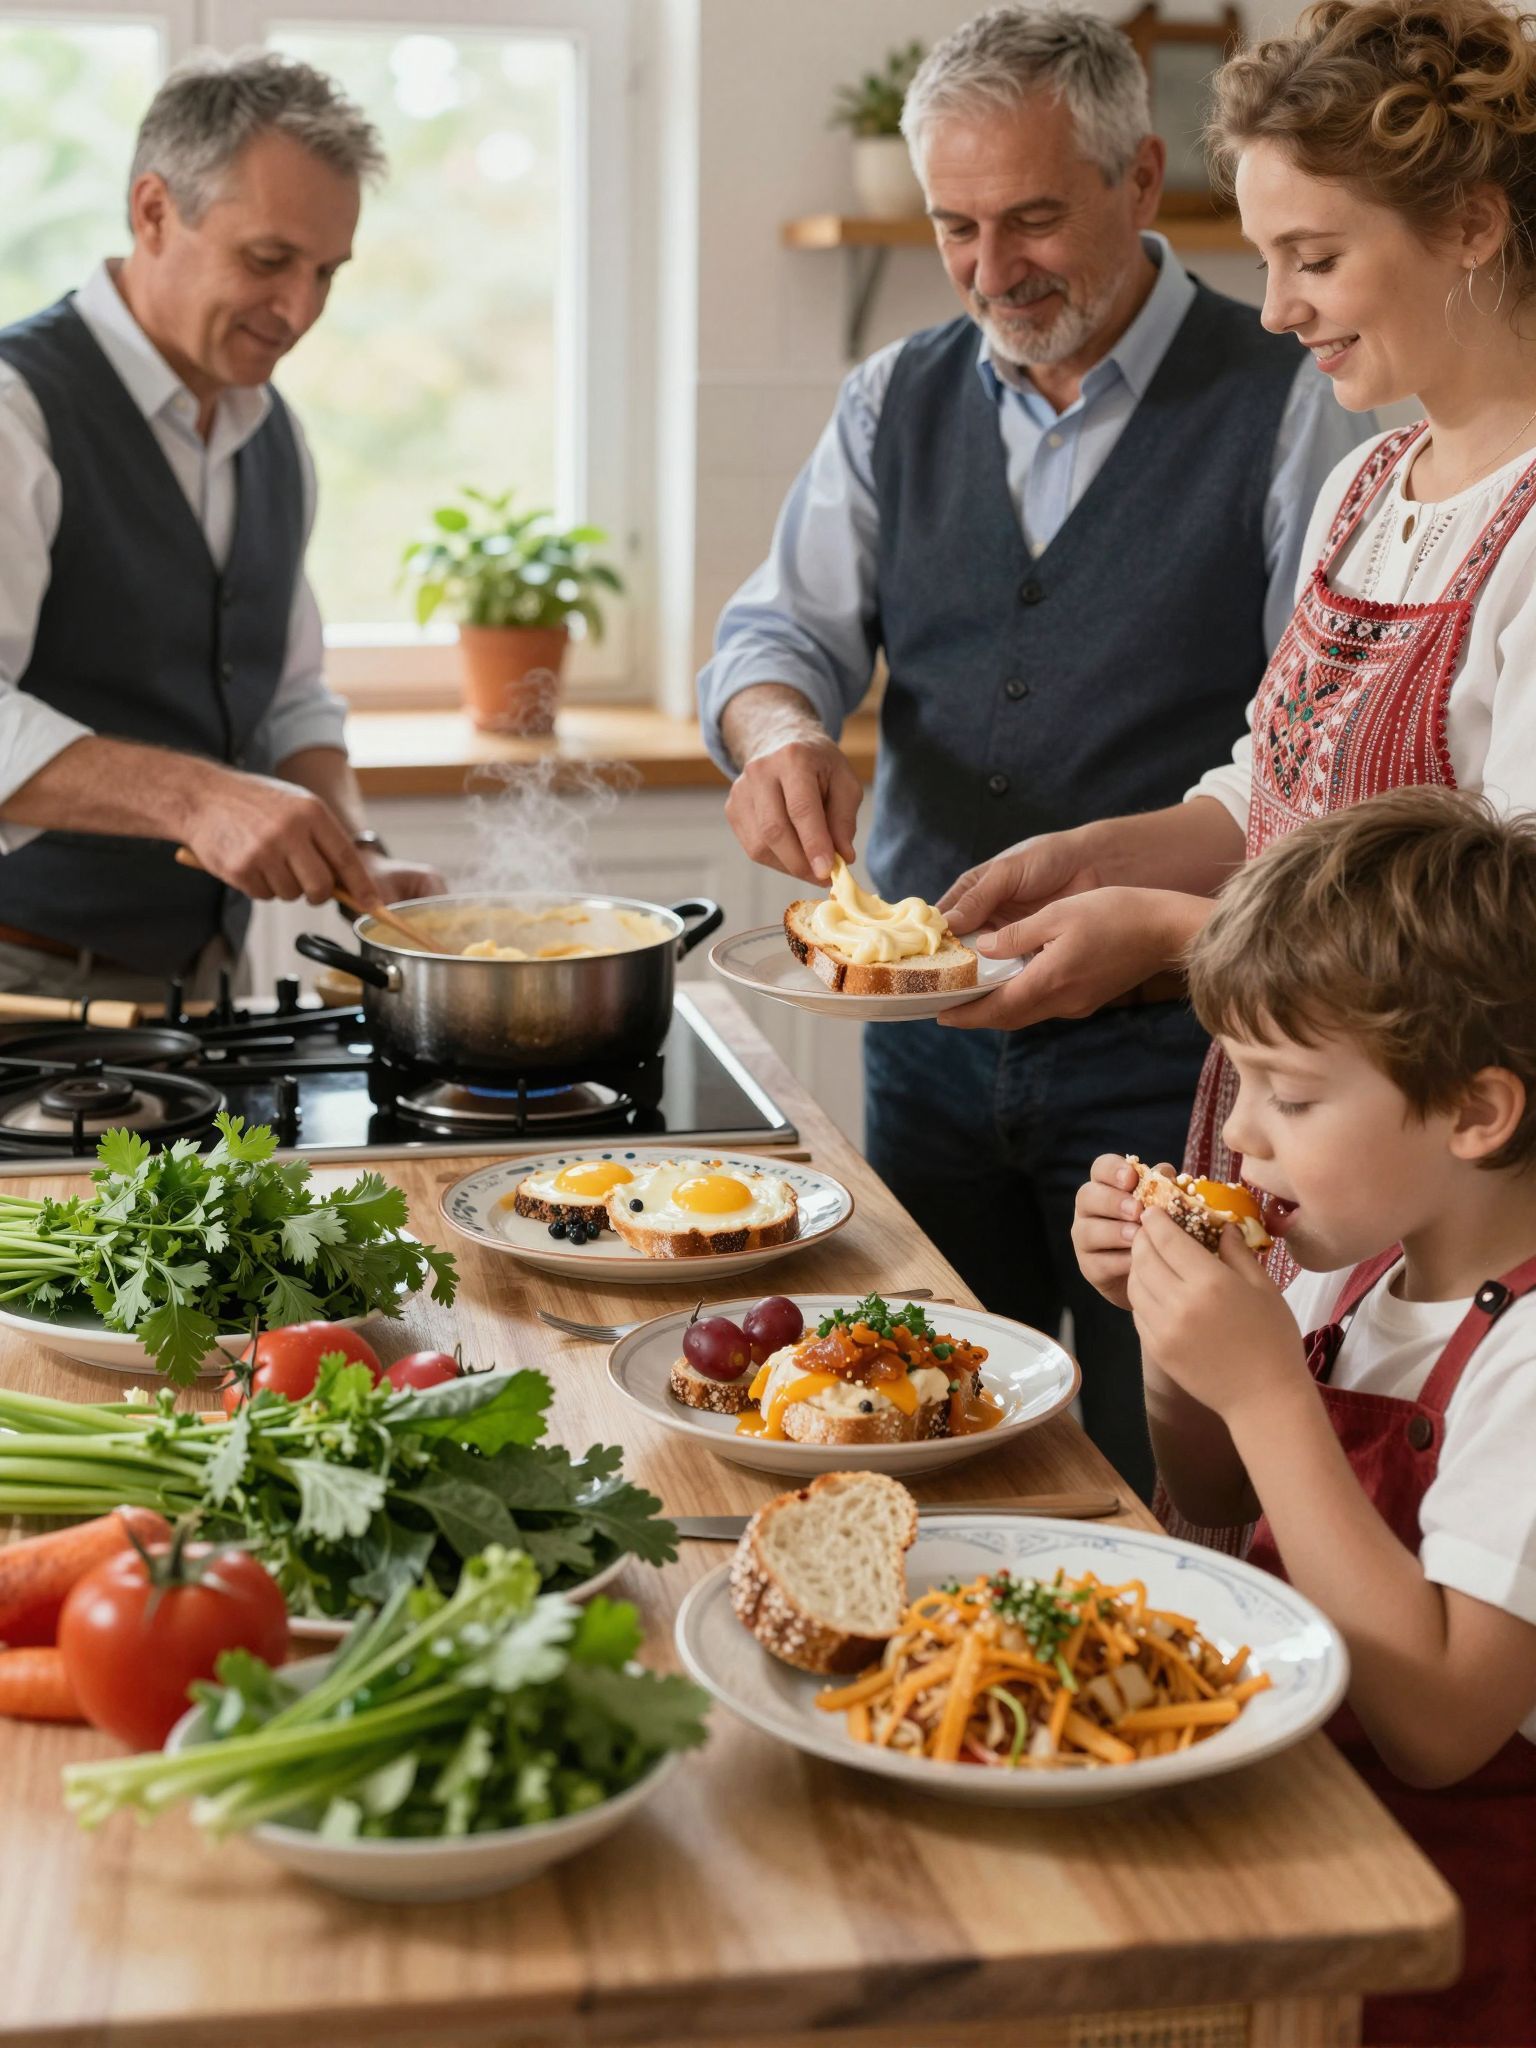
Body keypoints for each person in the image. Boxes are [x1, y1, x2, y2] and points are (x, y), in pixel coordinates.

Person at [698, 4, 1371, 1498]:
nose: (994, 270)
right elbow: (768, 644)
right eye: (956, 227)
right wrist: (782, 732)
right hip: (931, 1065)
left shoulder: (1293, 410)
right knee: (916, 1428)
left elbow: (1316, 770)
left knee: (1169, 1479)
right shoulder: (894, 399)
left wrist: (1164, 934)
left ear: (1140, 180)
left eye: (1033, 219)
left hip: (1190, 1059)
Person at [942, 0, 1536, 1206]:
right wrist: (1091, 857)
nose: (1274, 308)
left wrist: (1168, 936)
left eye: (1315, 259)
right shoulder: (1366, 486)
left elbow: (1508, 943)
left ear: (1471, 224)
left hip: (1448, 1184)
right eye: (1265, 261)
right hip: (1295, 1136)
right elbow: (1280, 784)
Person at [1072, 786, 1536, 2045]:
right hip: (1297, 1838)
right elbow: (1221, 1494)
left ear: (1476, 1113)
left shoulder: (1525, 1365)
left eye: (1290, 1094)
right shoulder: (1353, 1254)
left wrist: (1268, 1387)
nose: (1236, 1133)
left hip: (1447, 1939)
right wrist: (1177, 1345)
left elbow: (1440, 1723)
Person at [0, 51, 442, 1005]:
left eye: (328, 272)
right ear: (154, 211)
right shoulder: (16, 413)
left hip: (197, 990)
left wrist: (358, 855)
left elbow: (289, 697)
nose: (301, 311)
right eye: (269, 260)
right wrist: (201, 797)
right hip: (18, 989)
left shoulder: (271, 435)